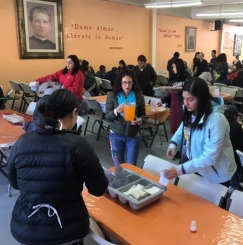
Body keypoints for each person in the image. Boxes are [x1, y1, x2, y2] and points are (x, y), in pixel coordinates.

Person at [8, 89, 108, 245]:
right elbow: (98, 188)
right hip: (67, 228)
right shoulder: (78, 145)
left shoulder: (23, 141)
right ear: (74, 113)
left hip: (28, 226)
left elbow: (14, 182)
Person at [163, 78, 237, 185]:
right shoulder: (192, 110)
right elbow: (184, 126)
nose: (186, 103)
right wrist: (174, 143)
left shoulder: (216, 120)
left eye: (190, 100)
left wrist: (180, 170)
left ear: (202, 99)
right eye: (184, 98)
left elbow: (210, 156)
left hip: (217, 174)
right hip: (198, 167)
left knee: (212, 200)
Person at [105, 69, 146, 165]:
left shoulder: (139, 96)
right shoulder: (112, 96)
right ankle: (120, 180)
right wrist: (117, 111)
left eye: (129, 82)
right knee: (118, 165)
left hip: (133, 135)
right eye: (124, 82)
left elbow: (143, 115)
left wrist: (139, 120)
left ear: (133, 83)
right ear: (120, 83)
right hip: (116, 135)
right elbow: (107, 116)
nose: (127, 85)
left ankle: (130, 180)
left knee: (131, 166)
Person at [168, 59, 192, 134]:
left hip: (182, 101)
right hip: (174, 101)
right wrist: (163, 99)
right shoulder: (174, 77)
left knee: (181, 119)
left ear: (178, 67)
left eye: (174, 67)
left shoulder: (187, 77)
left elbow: (189, 90)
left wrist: (179, 91)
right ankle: (177, 136)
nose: (173, 69)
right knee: (175, 119)